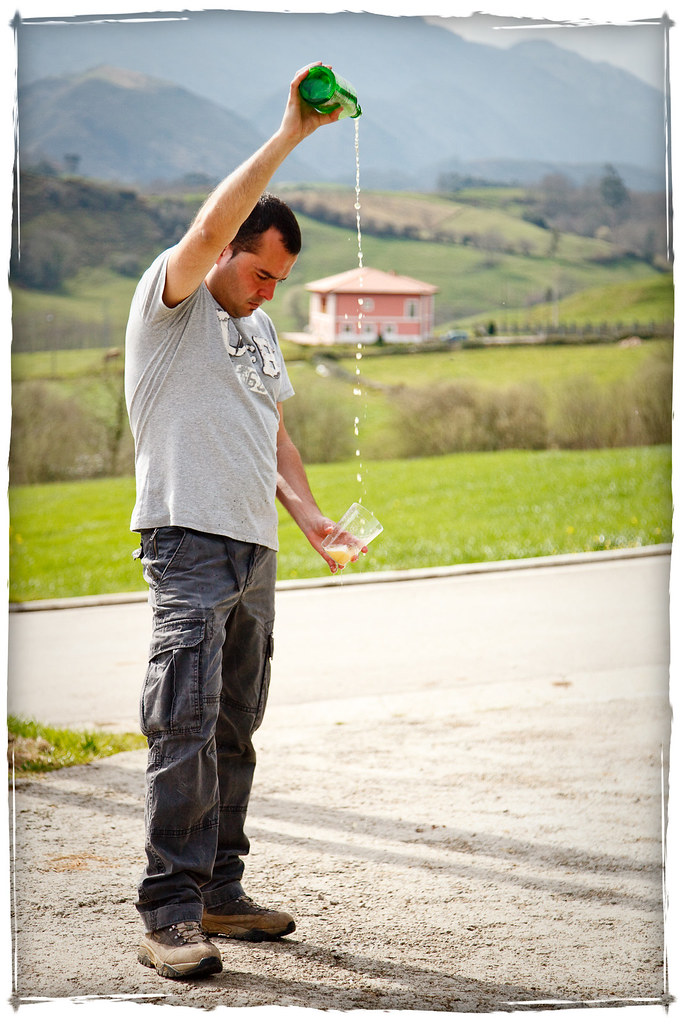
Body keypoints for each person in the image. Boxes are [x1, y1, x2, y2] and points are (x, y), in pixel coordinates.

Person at [124, 64, 350, 980]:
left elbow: (276, 432)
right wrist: (292, 133)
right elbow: (211, 224)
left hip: (252, 549)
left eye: (280, 280)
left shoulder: (258, 331)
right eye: (260, 272)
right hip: (186, 535)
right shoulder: (170, 303)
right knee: (181, 722)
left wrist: (309, 518)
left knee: (232, 727)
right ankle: (169, 913)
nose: (267, 291)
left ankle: (220, 887)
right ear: (224, 256)